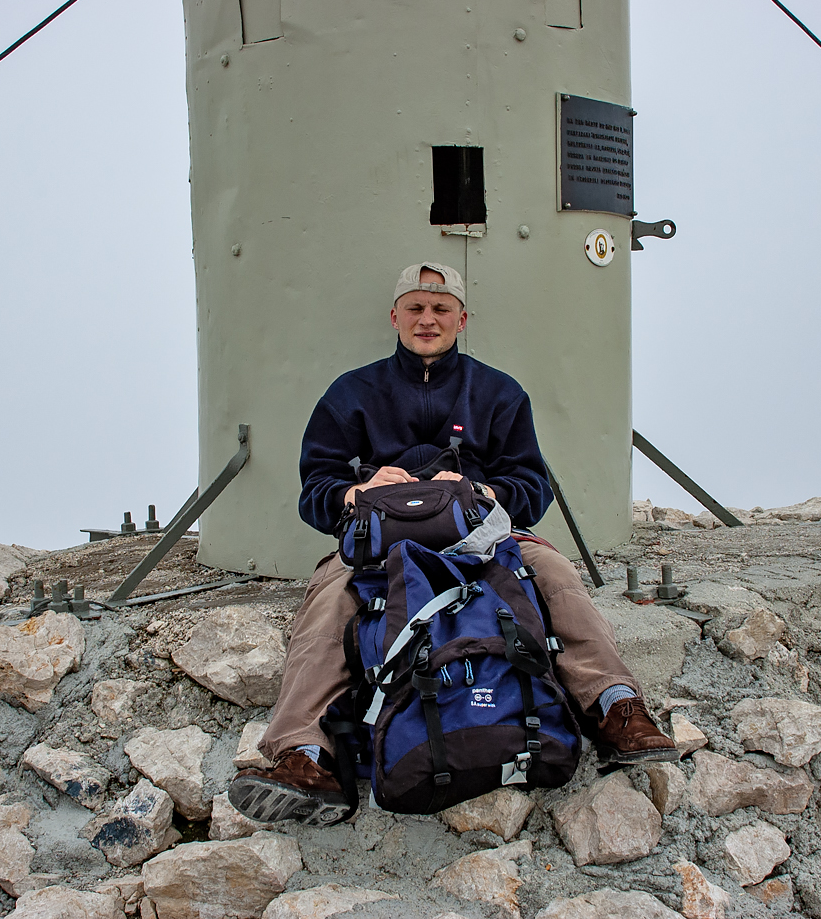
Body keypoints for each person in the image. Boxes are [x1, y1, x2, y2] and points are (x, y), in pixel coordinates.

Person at [228, 261, 676, 825]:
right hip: (378, 544)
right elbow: (313, 491)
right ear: (394, 316)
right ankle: (305, 755)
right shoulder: (350, 394)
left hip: (484, 535)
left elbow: (532, 488)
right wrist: (356, 492)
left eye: (441, 309)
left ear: (462, 318)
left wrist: (481, 490)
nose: (427, 319)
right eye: (415, 307)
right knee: (329, 598)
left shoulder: (499, 393)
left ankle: (616, 709)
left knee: (554, 572)